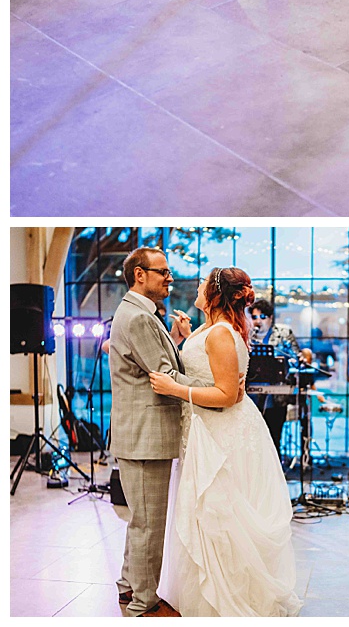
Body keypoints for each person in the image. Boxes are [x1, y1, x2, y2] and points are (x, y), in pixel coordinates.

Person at [150, 266, 300, 615]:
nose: (197, 287)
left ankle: (229, 596)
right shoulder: (209, 329)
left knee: (220, 513)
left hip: (222, 432)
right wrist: (184, 336)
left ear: (215, 294)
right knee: (205, 512)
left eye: (203, 283)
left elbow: (227, 394)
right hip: (204, 429)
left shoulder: (220, 334)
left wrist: (175, 389)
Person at [107, 247, 223, 617]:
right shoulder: (139, 317)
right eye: (163, 272)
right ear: (139, 274)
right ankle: (144, 602)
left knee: (142, 519)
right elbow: (163, 376)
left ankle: (128, 588)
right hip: (144, 437)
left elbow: (153, 363)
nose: (169, 278)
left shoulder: (141, 313)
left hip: (143, 434)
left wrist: (173, 339)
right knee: (149, 524)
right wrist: (215, 392)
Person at [248, 298, 299, 455]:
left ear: (270, 318)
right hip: (251, 395)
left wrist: (288, 360)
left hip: (276, 396)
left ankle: (275, 474)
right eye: (255, 317)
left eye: (263, 317)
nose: (258, 321)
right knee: (252, 439)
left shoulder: (283, 333)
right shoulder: (247, 335)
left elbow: (296, 359)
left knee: (274, 436)